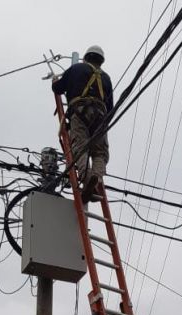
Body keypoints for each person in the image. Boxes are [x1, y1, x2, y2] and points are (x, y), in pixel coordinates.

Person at [52, 45, 114, 203]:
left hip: (79, 112)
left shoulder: (76, 68)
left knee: (81, 148)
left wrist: (55, 80)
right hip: (100, 116)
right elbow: (111, 108)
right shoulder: (106, 77)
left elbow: (57, 89)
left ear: (86, 57)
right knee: (100, 153)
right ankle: (96, 177)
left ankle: (87, 180)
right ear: (101, 61)